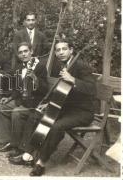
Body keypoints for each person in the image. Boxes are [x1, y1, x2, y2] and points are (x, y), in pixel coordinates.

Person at [29, 37, 96, 176]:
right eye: (58, 50)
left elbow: (92, 89)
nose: (61, 52)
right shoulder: (63, 66)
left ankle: (41, 162)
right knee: (42, 115)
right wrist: (49, 103)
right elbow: (63, 93)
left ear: (71, 50)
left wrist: (72, 79)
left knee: (57, 126)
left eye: (64, 49)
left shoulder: (81, 66)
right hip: (69, 109)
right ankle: (32, 153)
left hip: (83, 112)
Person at [0, 42, 48, 155]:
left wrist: (35, 79)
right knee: (1, 107)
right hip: (22, 100)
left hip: (34, 103)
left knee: (16, 112)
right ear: (18, 55)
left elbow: (45, 90)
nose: (23, 54)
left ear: (31, 51)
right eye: (20, 52)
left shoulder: (40, 66)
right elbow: (17, 88)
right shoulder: (19, 67)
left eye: (25, 51)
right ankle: (6, 141)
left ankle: (17, 146)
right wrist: (9, 98)